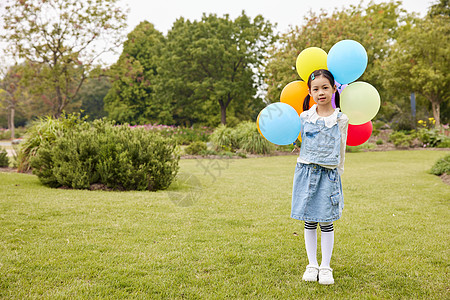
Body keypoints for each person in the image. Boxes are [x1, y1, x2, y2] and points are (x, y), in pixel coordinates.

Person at [291, 69, 349, 285]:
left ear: (334, 89)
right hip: (306, 173)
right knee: (309, 220)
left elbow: (341, 149)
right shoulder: (304, 117)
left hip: (329, 175)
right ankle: (311, 264)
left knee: (326, 221)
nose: (321, 92)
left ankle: (325, 266)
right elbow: (300, 143)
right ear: (309, 92)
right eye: (316, 89)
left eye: (325, 87)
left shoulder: (341, 119)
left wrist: (338, 173)